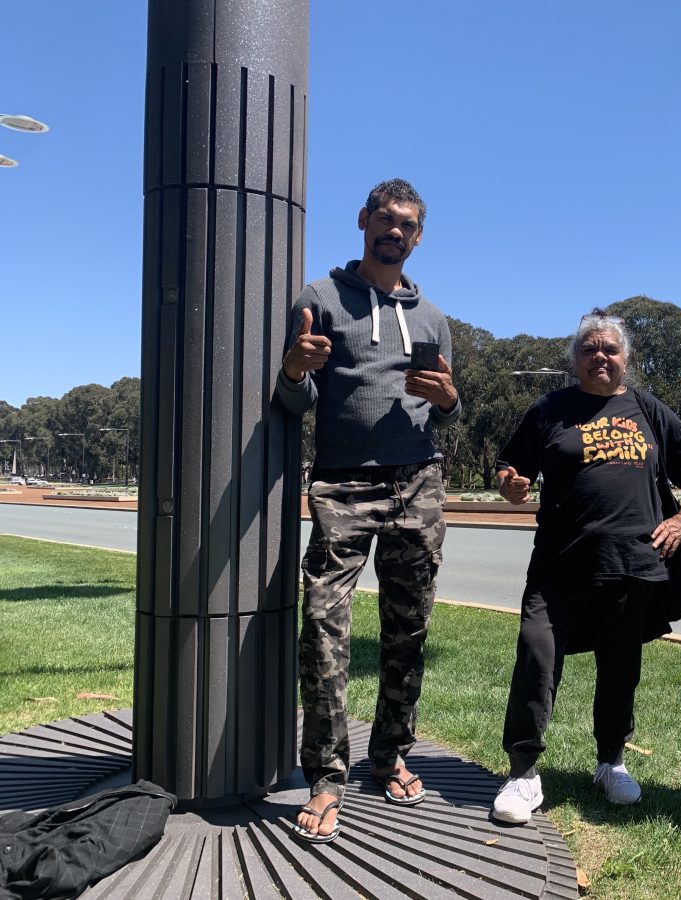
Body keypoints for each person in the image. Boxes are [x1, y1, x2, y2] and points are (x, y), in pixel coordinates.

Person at [278, 179, 461, 843]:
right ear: (363, 221)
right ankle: (327, 776)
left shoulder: (434, 317)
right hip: (341, 484)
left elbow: (448, 410)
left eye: (408, 224)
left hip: (419, 482)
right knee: (323, 627)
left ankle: (389, 753)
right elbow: (292, 403)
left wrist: (447, 401)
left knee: (407, 631)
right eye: (386, 219)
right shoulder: (319, 299)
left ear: (418, 236)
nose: (396, 231)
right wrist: (296, 371)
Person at [489, 311, 681, 824]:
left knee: (620, 668)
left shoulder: (647, 409)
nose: (600, 357)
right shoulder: (550, 409)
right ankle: (523, 773)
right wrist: (510, 483)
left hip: (630, 565)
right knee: (537, 654)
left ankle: (611, 762)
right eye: (590, 349)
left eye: (610, 349)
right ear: (574, 360)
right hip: (559, 564)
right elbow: (510, 467)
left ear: (625, 359)